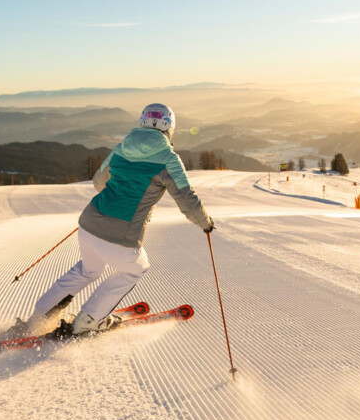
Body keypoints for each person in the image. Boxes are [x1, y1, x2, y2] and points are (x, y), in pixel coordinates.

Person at [12, 103, 214, 337]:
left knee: (88, 270)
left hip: (89, 224)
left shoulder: (121, 148)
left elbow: (99, 182)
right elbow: (187, 199)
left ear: (142, 122)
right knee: (136, 268)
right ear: (170, 128)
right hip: (121, 233)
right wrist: (205, 223)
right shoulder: (168, 159)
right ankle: (90, 319)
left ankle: (40, 316)